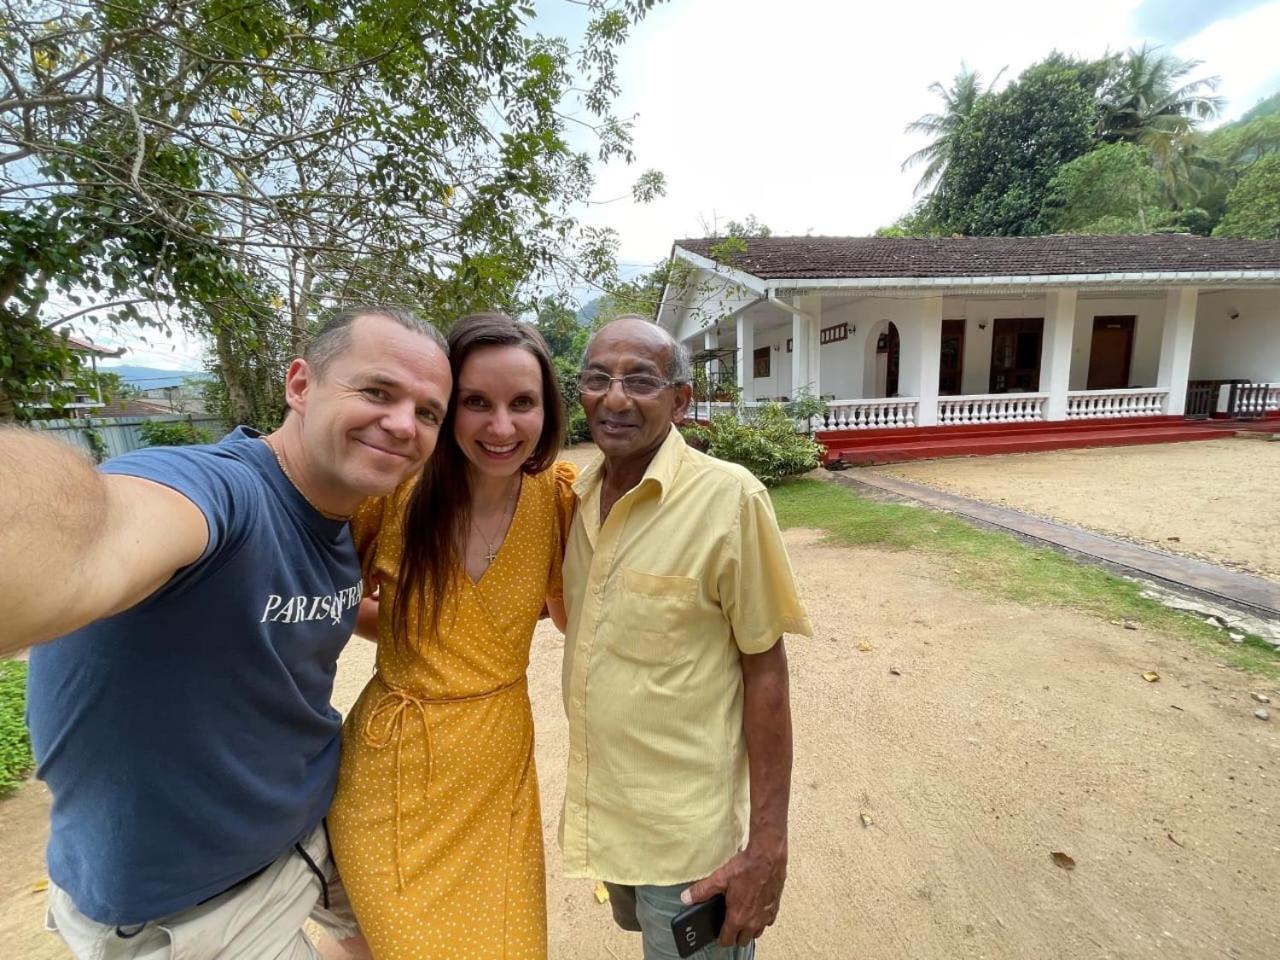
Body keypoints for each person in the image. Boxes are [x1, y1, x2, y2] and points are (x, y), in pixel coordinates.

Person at [4, 306, 452, 960]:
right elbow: (92, 526)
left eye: (429, 412)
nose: (403, 423)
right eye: (378, 391)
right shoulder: (225, 493)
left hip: (313, 831)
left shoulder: (338, 525)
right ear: (300, 386)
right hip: (192, 906)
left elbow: (332, 616)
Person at [559, 316, 812, 959]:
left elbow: (767, 673)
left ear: (680, 399)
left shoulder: (729, 501)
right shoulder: (574, 498)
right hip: (609, 816)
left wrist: (767, 848)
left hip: (689, 844)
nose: (615, 398)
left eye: (641, 380)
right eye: (598, 378)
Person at [327, 313, 577, 960]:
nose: (501, 427)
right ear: (447, 410)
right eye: (475, 403)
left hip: (497, 770)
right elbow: (329, 598)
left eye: (522, 403)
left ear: (546, 409)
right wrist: (413, 642)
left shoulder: (559, 500)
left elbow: (571, 612)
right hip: (393, 768)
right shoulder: (395, 493)